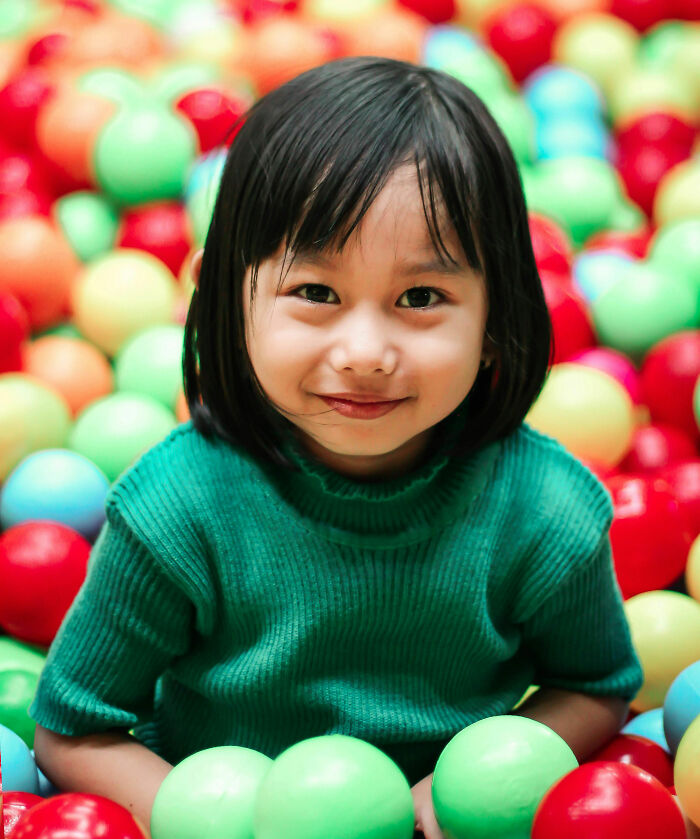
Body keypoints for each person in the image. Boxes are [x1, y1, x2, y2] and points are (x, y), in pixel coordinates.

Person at [30, 56, 645, 839]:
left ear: (497, 320)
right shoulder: (175, 511)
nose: (364, 350)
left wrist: (468, 792)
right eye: (316, 293)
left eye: (421, 298)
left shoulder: (547, 513)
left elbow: (596, 685)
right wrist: (222, 819)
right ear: (226, 294)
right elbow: (72, 726)